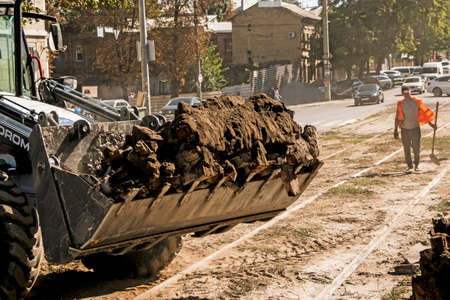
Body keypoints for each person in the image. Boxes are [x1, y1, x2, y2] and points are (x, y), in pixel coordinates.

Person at [394, 86, 436, 173]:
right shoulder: (401, 104)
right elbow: (397, 117)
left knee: (416, 148)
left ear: (410, 92)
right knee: (406, 149)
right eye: (404, 93)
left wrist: (431, 124)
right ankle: (410, 166)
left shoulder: (417, 102)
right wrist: (395, 130)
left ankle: (416, 165)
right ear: (402, 94)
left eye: (408, 92)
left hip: (415, 129)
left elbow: (425, 113)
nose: (406, 95)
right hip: (404, 129)